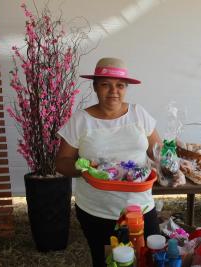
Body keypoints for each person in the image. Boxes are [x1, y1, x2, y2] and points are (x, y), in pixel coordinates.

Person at [55, 57, 161, 267]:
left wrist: (170, 164)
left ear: (126, 88)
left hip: (140, 207)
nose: (113, 91)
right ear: (95, 87)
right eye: (105, 84)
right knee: (106, 261)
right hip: (97, 210)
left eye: (120, 85)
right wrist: (85, 170)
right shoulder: (80, 120)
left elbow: (156, 152)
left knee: (146, 259)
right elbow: (62, 162)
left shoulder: (139, 113)